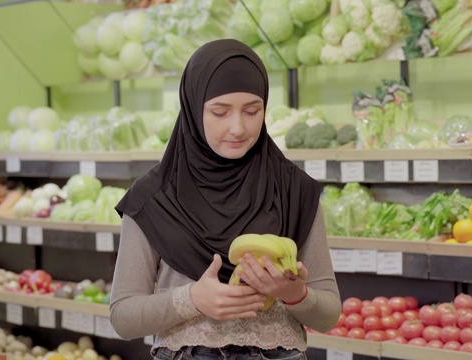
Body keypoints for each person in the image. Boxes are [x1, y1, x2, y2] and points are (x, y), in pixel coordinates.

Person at [110, 38, 341, 360]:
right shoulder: (153, 198)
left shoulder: (295, 191)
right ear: (192, 108)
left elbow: (329, 315)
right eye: (219, 112)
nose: (238, 128)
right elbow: (122, 316)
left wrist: (294, 293)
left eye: (252, 111)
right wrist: (192, 299)